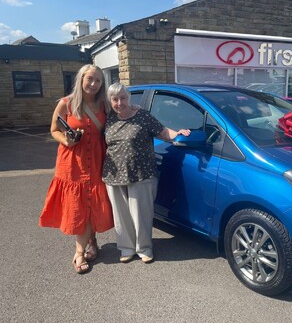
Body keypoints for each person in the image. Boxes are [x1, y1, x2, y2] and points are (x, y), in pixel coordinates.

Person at [102, 82, 190, 263]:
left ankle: (144, 247)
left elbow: (162, 131)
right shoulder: (108, 118)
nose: (120, 103)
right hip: (114, 174)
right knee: (121, 214)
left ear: (129, 98)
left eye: (123, 98)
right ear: (110, 101)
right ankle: (126, 248)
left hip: (141, 172)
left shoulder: (141, 115)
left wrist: (178, 133)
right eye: (115, 99)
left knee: (141, 213)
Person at [39, 64, 114, 274]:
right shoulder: (66, 103)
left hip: (97, 160)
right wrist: (66, 140)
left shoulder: (104, 105)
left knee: (91, 203)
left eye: (98, 80)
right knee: (80, 206)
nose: (93, 84)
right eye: (90, 79)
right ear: (81, 79)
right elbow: (54, 129)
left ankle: (91, 244)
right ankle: (80, 251)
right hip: (73, 161)